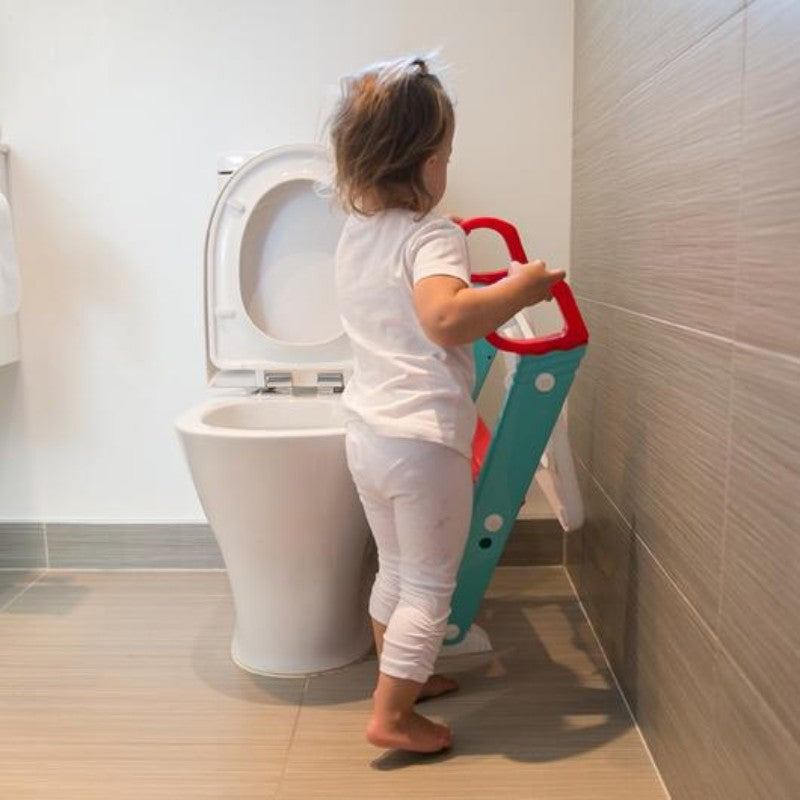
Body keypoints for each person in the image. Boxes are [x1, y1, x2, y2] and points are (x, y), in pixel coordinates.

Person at [329, 55, 565, 754]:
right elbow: (445, 318)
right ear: (429, 163)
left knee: (395, 568)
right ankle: (393, 715)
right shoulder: (434, 237)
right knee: (432, 582)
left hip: (367, 433)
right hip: (422, 441)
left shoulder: (357, 234)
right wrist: (522, 290)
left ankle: (403, 677)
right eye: (447, 157)